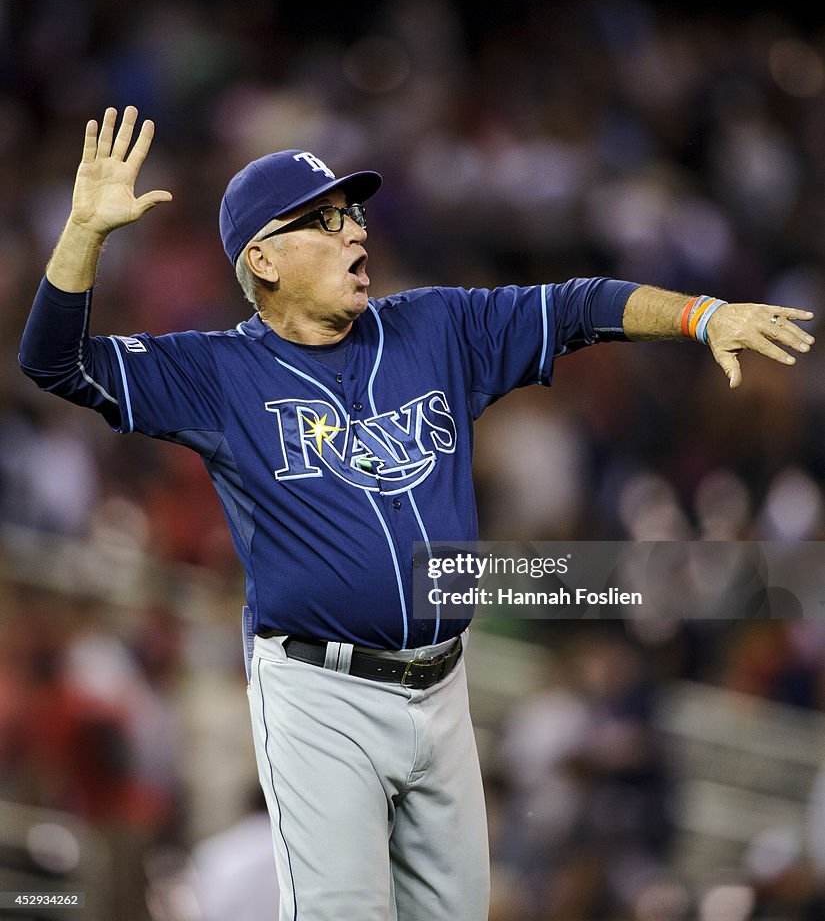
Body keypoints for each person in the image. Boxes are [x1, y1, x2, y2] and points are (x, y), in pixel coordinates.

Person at [18, 106, 815, 921]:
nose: (354, 234)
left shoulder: (435, 328)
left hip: (441, 687)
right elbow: (53, 361)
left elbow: (577, 305)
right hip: (319, 695)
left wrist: (702, 315)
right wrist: (84, 233)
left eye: (352, 214)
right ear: (262, 259)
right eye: (322, 222)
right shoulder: (216, 372)